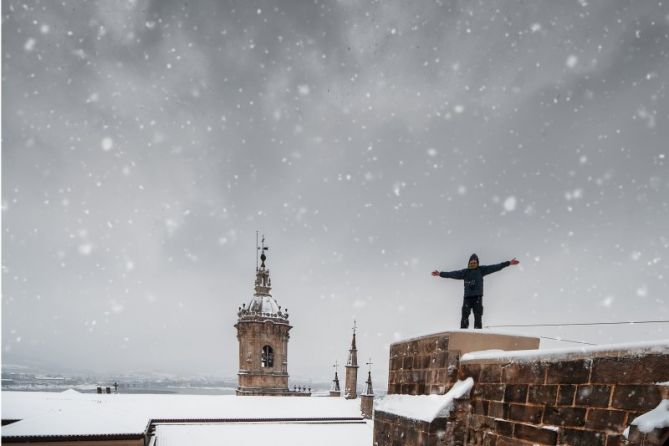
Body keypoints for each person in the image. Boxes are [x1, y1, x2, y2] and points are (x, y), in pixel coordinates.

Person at [431, 254, 519, 329]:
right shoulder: (465, 272)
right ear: (469, 263)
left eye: (475, 262)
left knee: (478, 316)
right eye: (471, 262)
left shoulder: (481, 270)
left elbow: (496, 267)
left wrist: (508, 263)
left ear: (477, 263)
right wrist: (440, 274)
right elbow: (452, 274)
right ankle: (463, 332)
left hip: (478, 297)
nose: (473, 263)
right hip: (467, 298)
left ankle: (478, 332)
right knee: (464, 316)